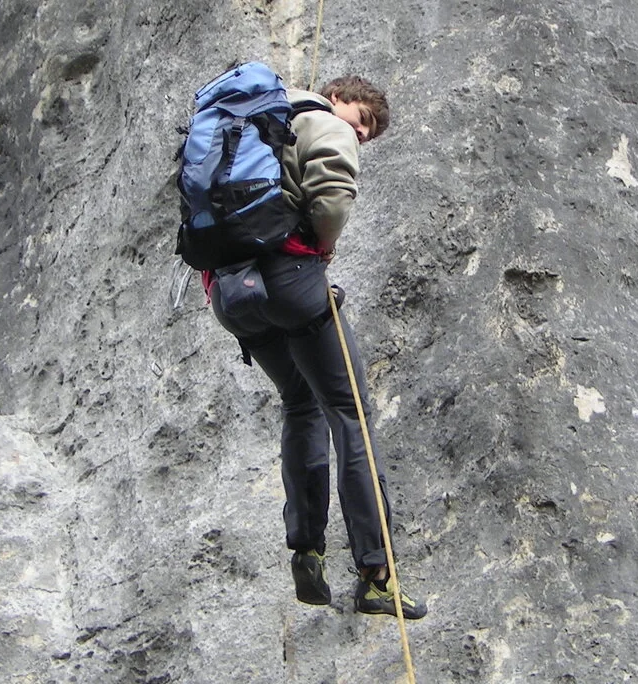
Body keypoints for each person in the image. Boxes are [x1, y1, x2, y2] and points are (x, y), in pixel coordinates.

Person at [206, 75, 426, 619]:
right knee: (350, 411)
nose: (363, 130)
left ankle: (307, 549)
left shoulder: (247, 129)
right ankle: (376, 576)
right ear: (335, 96)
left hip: (231, 293)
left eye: (369, 130)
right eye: (363, 116)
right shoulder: (323, 121)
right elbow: (331, 198)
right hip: (289, 280)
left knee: (300, 403)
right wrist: (321, 250)